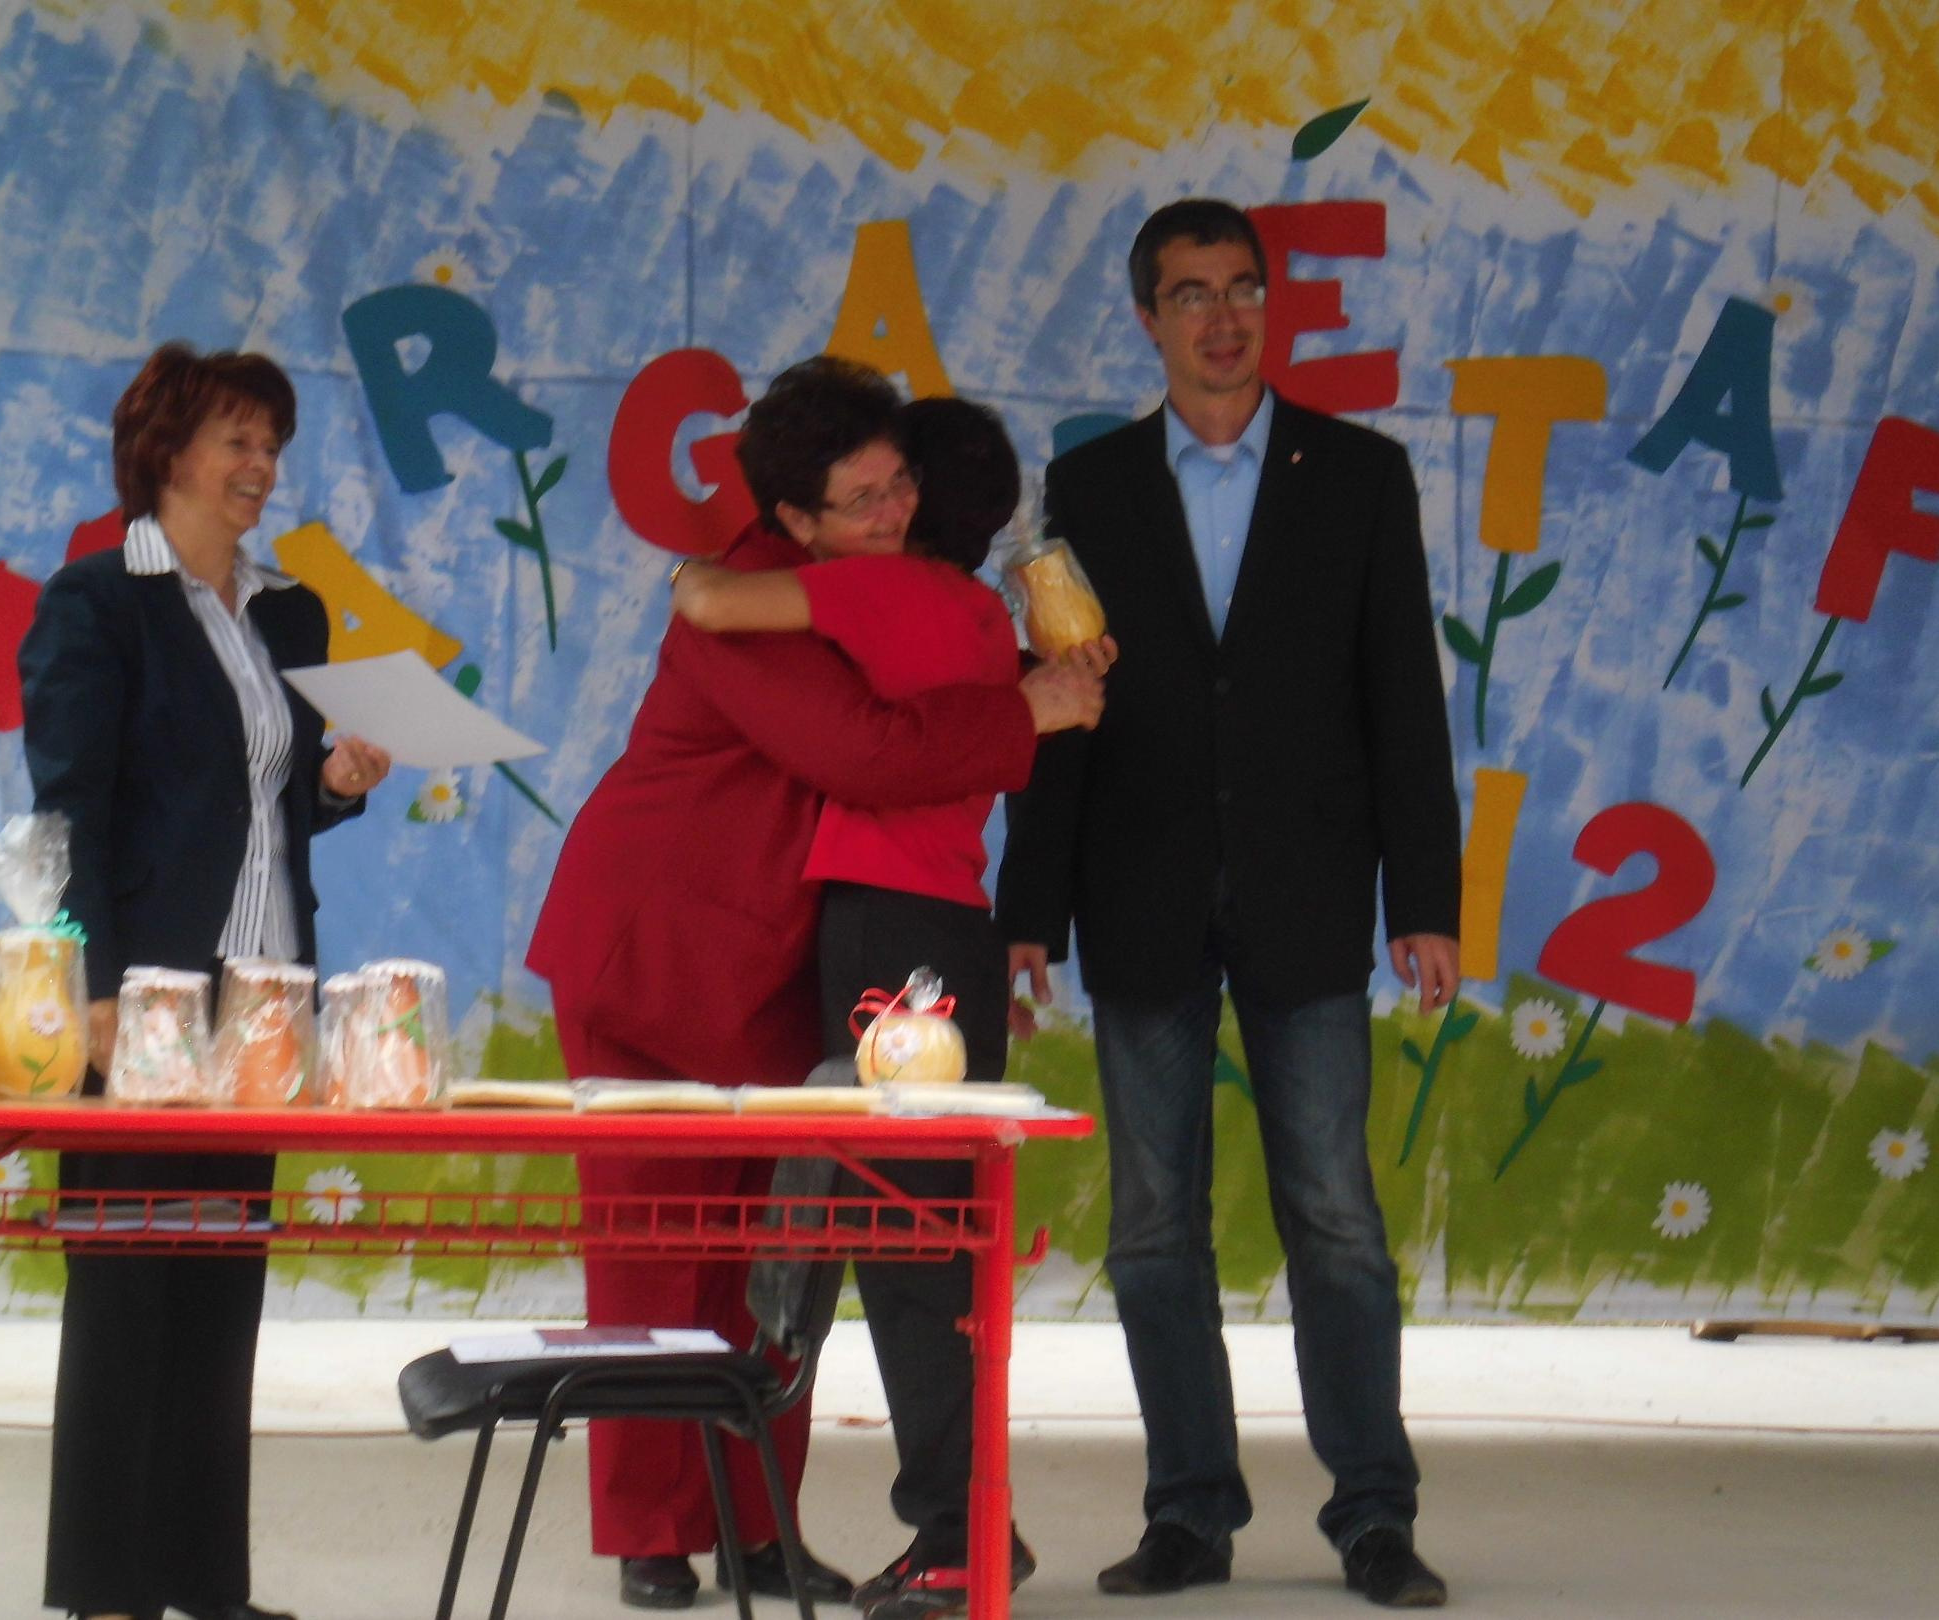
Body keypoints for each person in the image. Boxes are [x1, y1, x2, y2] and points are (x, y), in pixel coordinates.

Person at [527, 359, 1106, 1612]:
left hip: (777, 961)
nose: (893, 513)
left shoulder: (851, 583)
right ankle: (650, 1533)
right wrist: (1028, 707)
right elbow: (864, 747)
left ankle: (754, 1528)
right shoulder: (742, 605)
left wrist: (1027, 666)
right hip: (656, 949)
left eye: (900, 485)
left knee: (775, 1263)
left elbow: (917, 664)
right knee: (652, 1253)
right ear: (793, 515)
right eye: (862, 499)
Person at [993, 198, 1462, 1610]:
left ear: (1271, 305)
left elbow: (1403, 699)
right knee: (1153, 1227)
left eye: (1244, 288)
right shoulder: (1092, 485)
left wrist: (1425, 898)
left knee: (1337, 1217)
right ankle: (1189, 1511)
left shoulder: (1361, 475)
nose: (1222, 316)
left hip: (1307, 890)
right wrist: (1031, 907)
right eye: (1191, 293)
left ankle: (1374, 1514)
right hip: (1138, 890)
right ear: (1148, 318)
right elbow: (1065, 704)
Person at [19, 341, 394, 1620]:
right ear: (167, 454)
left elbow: (272, 808)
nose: (261, 466)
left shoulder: (289, 612)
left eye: (272, 444)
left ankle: (200, 1582)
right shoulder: (95, 603)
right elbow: (70, 812)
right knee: (125, 1288)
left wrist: (336, 785)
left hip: (267, 993)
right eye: (238, 440)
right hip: (147, 996)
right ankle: (106, 1591)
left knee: (223, 1285)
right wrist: (96, 985)